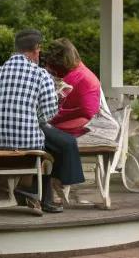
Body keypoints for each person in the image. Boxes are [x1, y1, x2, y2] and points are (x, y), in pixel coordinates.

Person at [0, 29, 63, 216]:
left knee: (41, 141)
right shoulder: (41, 75)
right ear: (36, 49)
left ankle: (20, 192)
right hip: (28, 154)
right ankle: (33, 193)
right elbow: (49, 113)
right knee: (53, 146)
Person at [42, 38, 120, 205]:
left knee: (45, 138)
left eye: (52, 64)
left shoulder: (81, 77)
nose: (49, 68)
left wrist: (52, 121)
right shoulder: (77, 74)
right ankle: (54, 184)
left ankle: (54, 183)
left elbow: (87, 112)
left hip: (89, 128)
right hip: (79, 124)